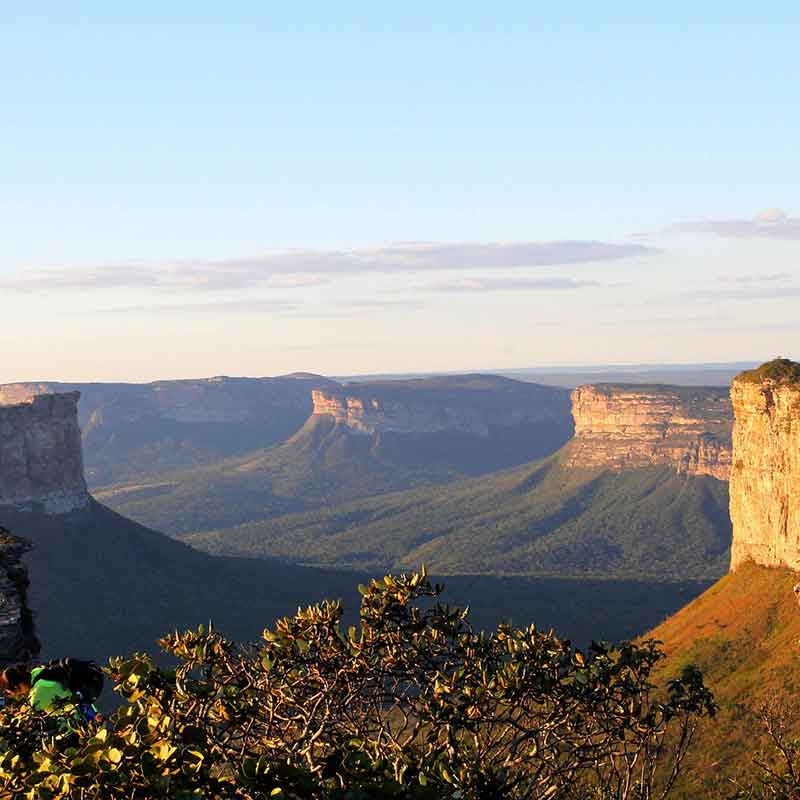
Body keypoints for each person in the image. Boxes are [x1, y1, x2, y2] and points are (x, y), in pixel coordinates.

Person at [0, 658, 103, 722]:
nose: (9, 695)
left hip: (78, 720)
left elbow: (27, 718)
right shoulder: (37, 672)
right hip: (84, 700)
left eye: (8, 692)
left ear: (16, 687)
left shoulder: (38, 693)